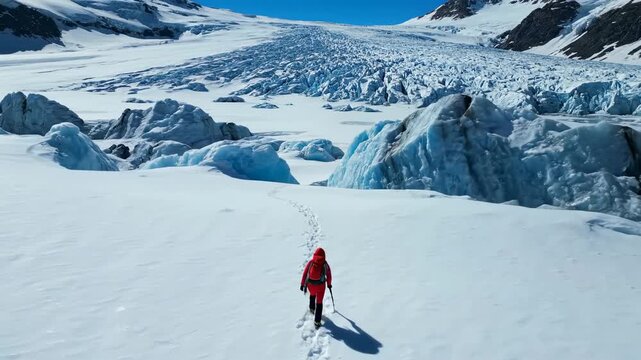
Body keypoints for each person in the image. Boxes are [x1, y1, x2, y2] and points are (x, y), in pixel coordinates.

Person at [300, 247, 332, 328]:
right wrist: (329, 284)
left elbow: (305, 273)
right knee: (319, 302)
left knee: (312, 295)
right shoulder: (325, 263)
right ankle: (317, 321)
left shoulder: (311, 262)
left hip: (311, 284)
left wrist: (302, 283)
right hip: (321, 286)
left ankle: (311, 308)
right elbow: (329, 275)